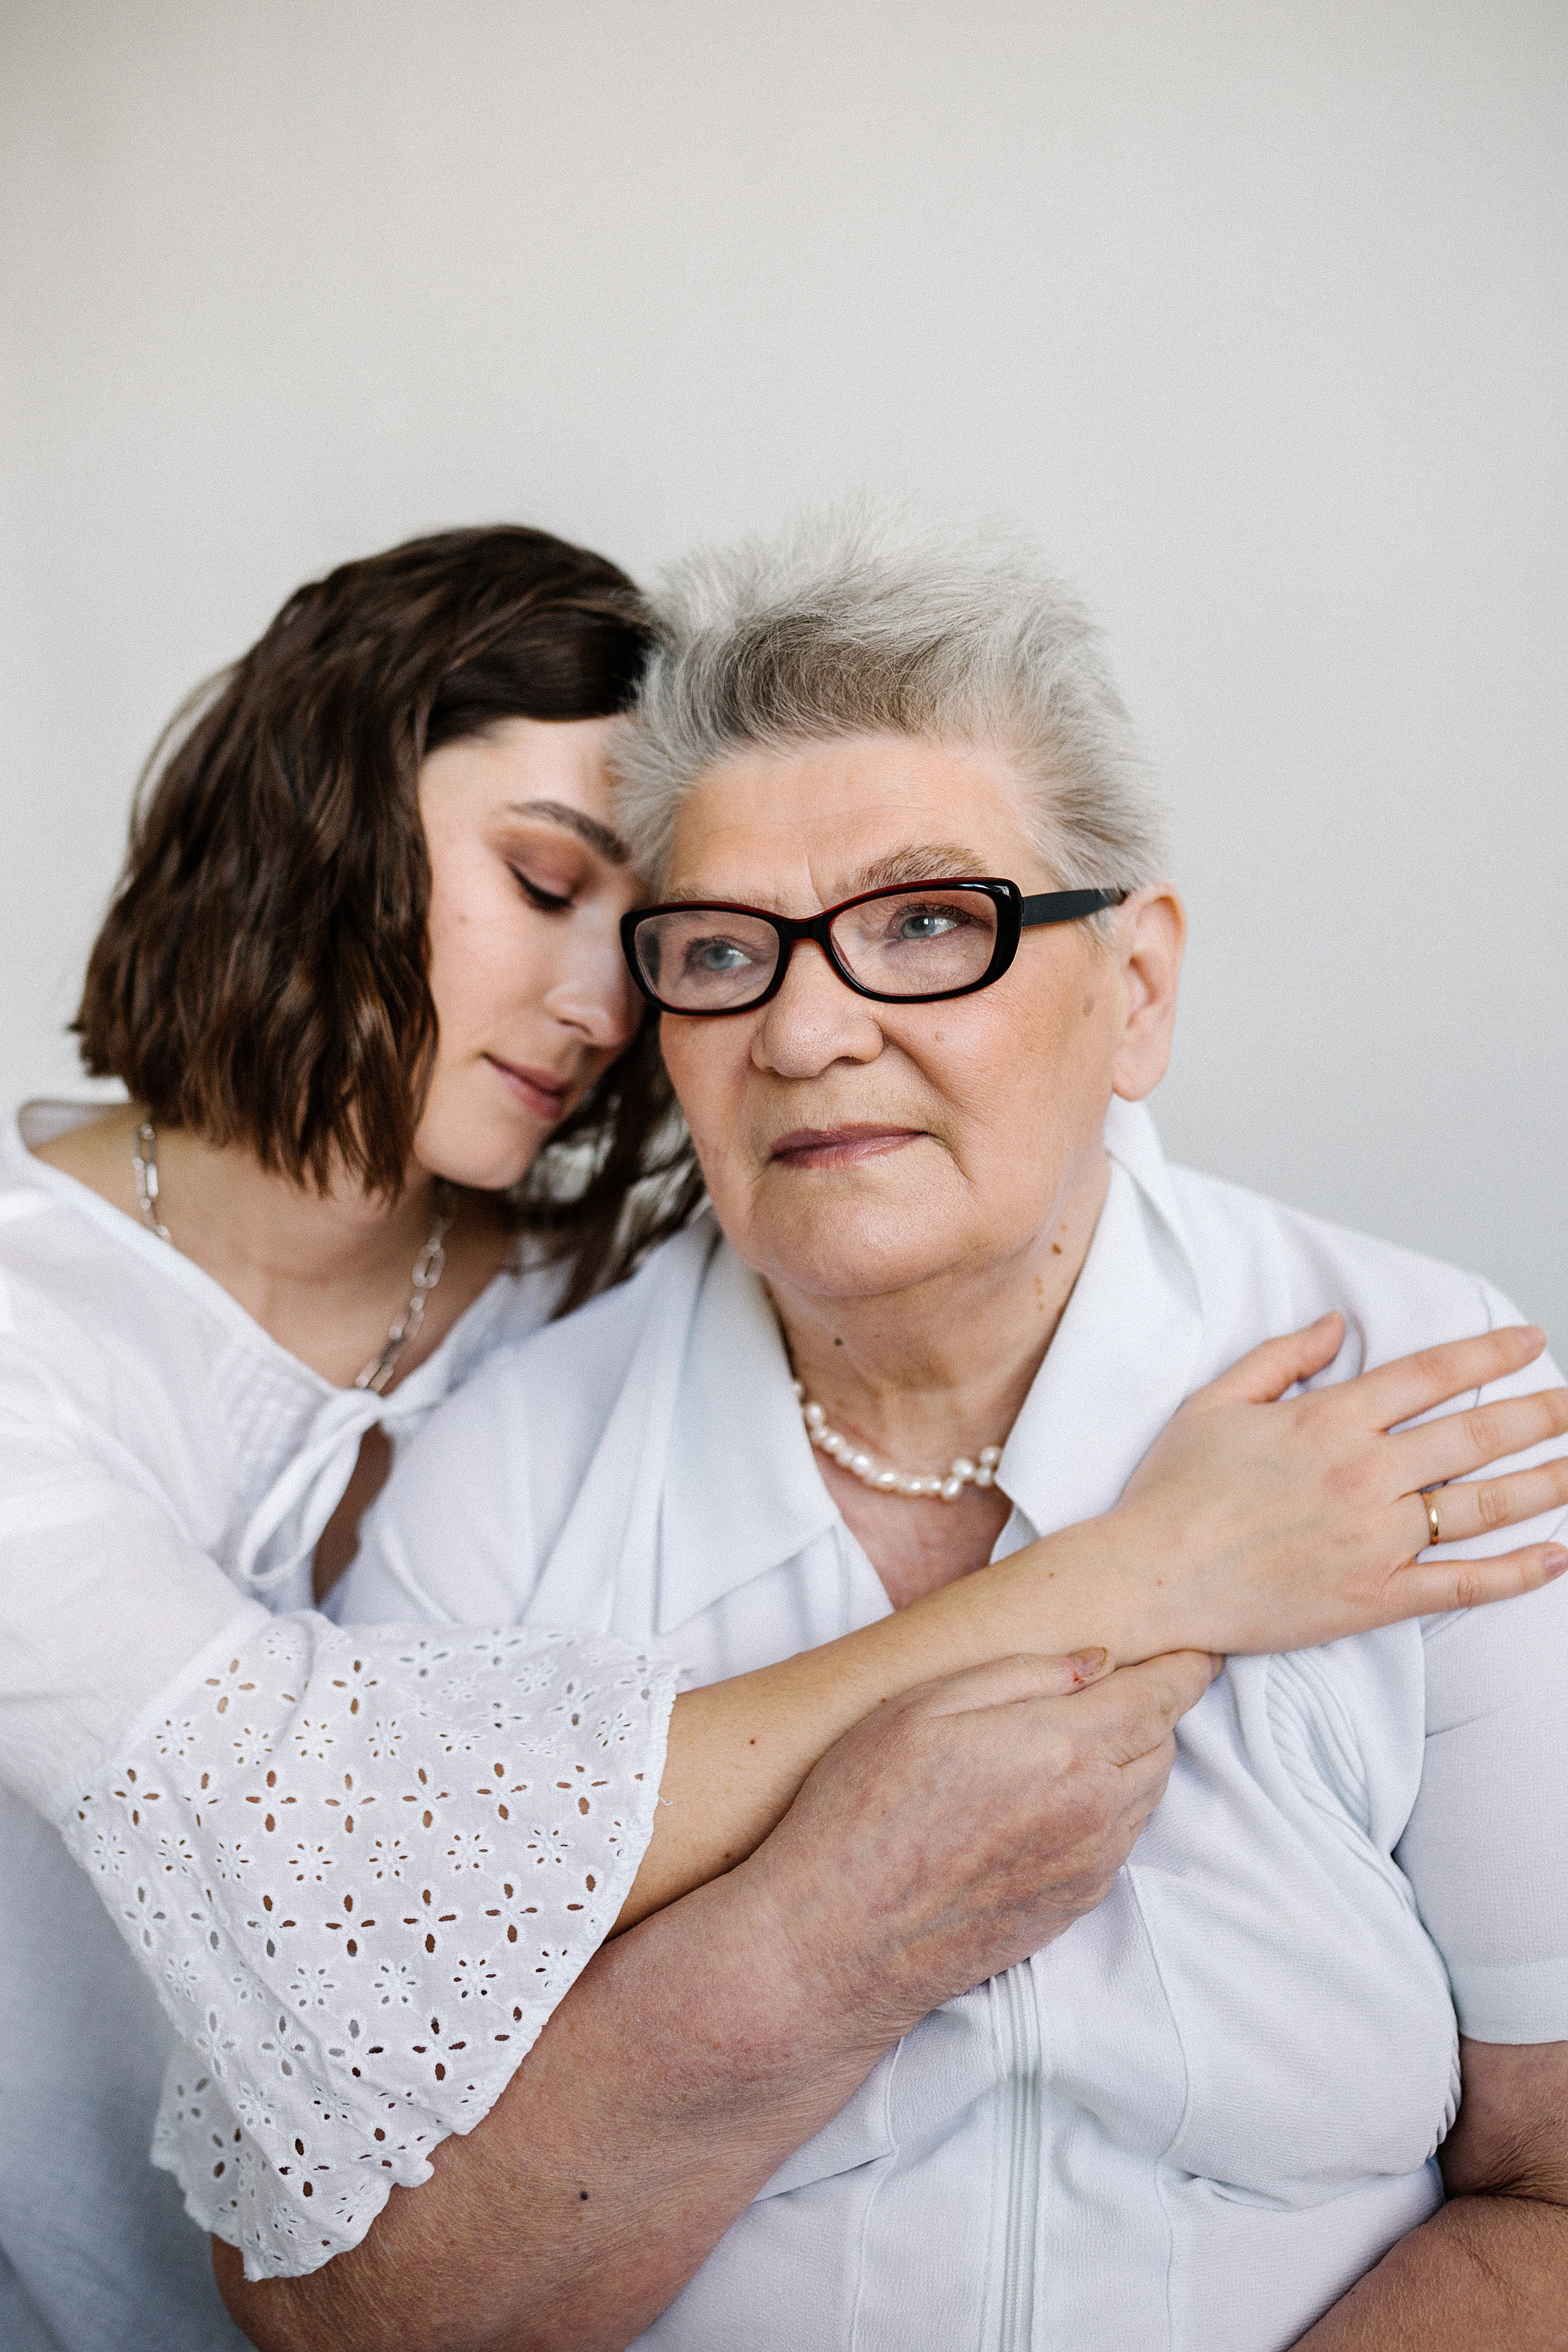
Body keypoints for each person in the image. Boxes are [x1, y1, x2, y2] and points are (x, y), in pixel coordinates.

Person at [10, 523, 1555, 2352]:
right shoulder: (497, 1452)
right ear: (313, 825)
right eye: (721, 949)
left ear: (1134, 988)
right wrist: (1125, 1592)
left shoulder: (1411, 1395)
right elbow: (335, 1881)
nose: (791, 1025)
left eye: (927, 923)